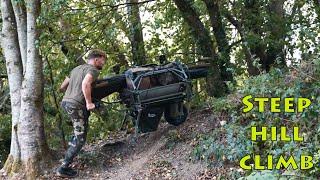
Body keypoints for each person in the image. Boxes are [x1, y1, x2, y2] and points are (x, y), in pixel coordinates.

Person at [57, 49, 106, 178]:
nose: (103, 63)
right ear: (96, 59)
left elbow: (62, 87)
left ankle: (69, 154)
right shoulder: (93, 70)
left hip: (66, 103)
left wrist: (72, 93)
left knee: (77, 132)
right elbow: (85, 83)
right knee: (80, 138)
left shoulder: (76, 69)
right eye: (103, 60)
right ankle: (63, 167)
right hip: (76, 105)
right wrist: (89, 103)